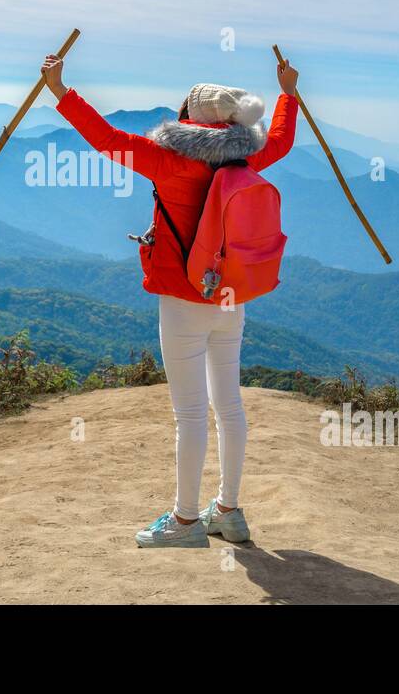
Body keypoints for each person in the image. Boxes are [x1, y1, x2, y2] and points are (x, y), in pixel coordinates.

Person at [41, 51, 300, 547]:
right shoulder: (247, 155)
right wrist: (287, 92)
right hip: (232, 297)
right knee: (228, 404)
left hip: (184, 298)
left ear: (188, 119)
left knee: (189, 413)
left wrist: (59, 90)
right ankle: (228, 510)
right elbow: (283, 141)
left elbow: (108, 141)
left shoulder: (168, 159)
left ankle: (184, 522)